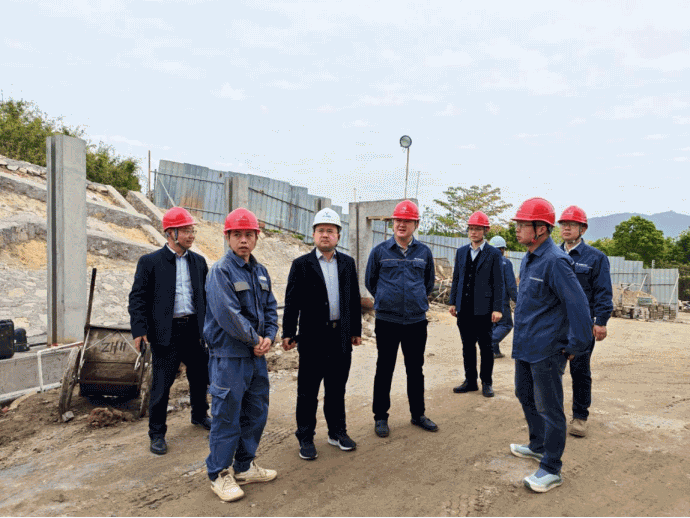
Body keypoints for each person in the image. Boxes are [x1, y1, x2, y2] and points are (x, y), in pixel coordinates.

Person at [509, 197, 592, 493]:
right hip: (525, 344)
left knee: (550, 408)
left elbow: (578, 306)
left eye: (523, 224)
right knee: (523, 393)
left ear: (541, 229)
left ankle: (551, 468)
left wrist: (576, 345)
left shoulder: (556, 261)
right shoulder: (530, 257)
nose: (517, 229)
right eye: (517, 224)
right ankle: (537, 445)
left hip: (547, 349)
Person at [204, 208, 278, 502]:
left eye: (249, 235)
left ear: (256, 237)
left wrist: (269, 336)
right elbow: (228, 314)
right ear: (228, 237)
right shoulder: (220, 271)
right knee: (226, 415)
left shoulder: (260, 272)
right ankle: (219, 474)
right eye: (237, 235)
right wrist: (255, 339)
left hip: (256, 356)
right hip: (229, 357)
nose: (243, 240)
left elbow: (271, 308)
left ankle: (244, 467)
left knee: (256, 411)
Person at [128, 207, 211, 456]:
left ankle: (200, 414)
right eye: (186, 231)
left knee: (200, 377)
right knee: (161, 385)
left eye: (192, 230)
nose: (191, 235)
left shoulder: (199, 262)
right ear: (170, 233)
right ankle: (157, 433)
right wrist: (139, 330)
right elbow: (138, 298)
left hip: (194, 329)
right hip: (166, 332)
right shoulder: (150, 262)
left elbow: (206, 297)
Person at [282, 208, 362, 461]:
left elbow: (353, 299)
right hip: (312, 338)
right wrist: (288, 332)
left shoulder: (347, 263)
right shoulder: (301, 265)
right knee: (308, 391)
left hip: (340, 337)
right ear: (314, 234)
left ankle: (337, 432)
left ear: (338, 235)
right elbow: (291, 302)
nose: (325, 235)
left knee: (337, 388)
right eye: (320, 231)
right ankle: (305, 437)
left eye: (330, 231)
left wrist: (355, 330)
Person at [365, 200, 438, 437]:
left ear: (416, 224)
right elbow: (371, 282)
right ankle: (380, 417)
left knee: (415, 369)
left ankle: (418, 414)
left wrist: (414, 300)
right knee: (384, 368)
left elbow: (428, 283)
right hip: (387, 321)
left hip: (416, 321)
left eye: (407, 220)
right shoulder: (380, 252)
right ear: (393, 223)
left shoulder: (424, 253)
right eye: (398, 220)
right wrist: (387, 299)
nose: (401, 224)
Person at [558, 205, 613, 438]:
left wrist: (601, 321)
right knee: (550, 371)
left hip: (581, 325)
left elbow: (603, 292)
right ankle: (550, 414)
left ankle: (580, 416)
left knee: (580, 371)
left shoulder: (596, 258)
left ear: (583, 229)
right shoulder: (553, 254)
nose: (566, 228)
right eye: (563, 224)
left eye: (572, 224)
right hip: (554, 324)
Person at [448, 211, 504, 398]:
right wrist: (452, 302)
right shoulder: (461, 252)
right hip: (464, 308)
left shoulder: (494, 254)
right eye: (471, 228)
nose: (473, 232)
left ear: (485, 230)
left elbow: (498, 283)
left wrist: (497, 308)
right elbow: (457, 278)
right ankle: (470, 381)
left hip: (484, 309)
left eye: (478, 229)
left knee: (486, 347)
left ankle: (487, 382)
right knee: (467, 346)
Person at [488, 235, 518, 359]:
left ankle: (495, 351)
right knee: (506, 325)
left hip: (486, 300)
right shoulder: (505, 262)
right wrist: (517, 299)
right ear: (502, 249)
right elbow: (511, 284)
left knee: (494, 324)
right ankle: (488, 343)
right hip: (500, 300)